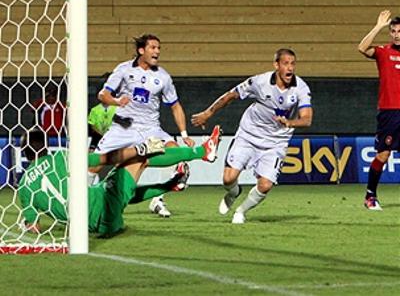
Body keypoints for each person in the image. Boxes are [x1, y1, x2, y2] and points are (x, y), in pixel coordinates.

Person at [18, 125, 221, 236]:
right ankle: (202, 151)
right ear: (45, 145)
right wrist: (139, 150)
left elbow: (32, 226)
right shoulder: (60, 157)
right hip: (105, 211)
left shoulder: (24, 185)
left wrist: (29, 223)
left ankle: (171, 184)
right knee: (139, 160)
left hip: (88, 226)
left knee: (116, 188)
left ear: (25, 153)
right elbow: (104, 158)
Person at [191, 48, 313, 224]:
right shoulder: (259, 82)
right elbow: (230, 96)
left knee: (265, 185)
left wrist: (289, 123)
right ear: (276, 65)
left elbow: (307, 119)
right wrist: (208, 113)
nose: (290, 68)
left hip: (276, 142)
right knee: (228, 178)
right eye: (285, 63)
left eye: (293, 64)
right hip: (249, 135)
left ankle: (241, 211)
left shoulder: (300, 88)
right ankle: (234, 192)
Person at [92, 33, 195, 218]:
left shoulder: (163, 77)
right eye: (153, 48)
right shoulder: (124, 70)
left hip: (151, 129)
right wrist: (116, 101)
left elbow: (175, 106)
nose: (157, 52)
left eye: (159, 48)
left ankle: (159, 199)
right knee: (94, 165)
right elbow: (103, 95)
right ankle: (79, 202)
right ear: (141, 50)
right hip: (123, 128)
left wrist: (184, 133)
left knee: (174, 152)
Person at [358, 11, 400, 211]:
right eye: (393, 31)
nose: (396, 34)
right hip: (389, 112)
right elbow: (362, 48)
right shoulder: (383, 52)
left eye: (399, 31)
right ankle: (370, 195)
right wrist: (378, 27)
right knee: (383, 155)